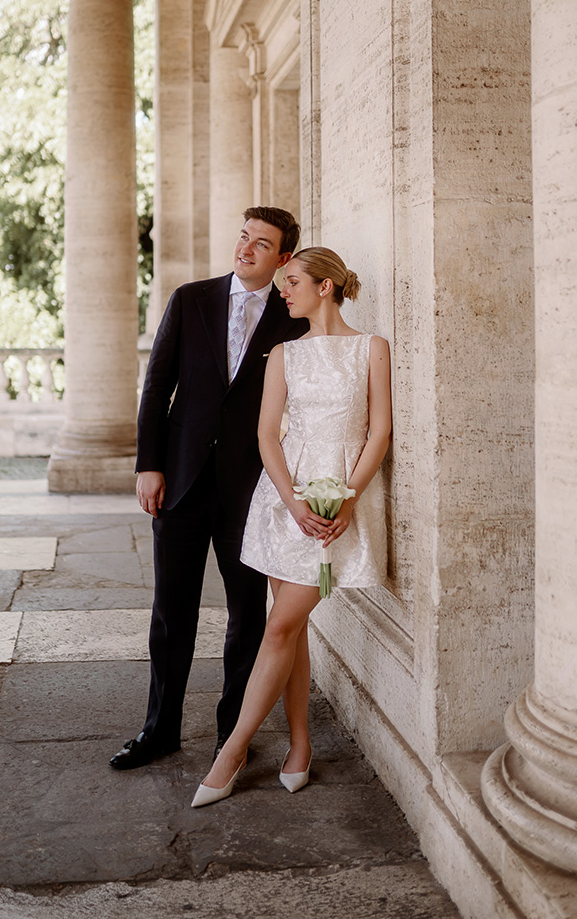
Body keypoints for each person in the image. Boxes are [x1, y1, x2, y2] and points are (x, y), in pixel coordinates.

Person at [110, 206, 309, 770]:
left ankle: (233, 737)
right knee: (172, 612)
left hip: (250, 493)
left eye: (261, 244)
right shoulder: (189, 299)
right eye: (243, 237)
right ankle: (159, 731)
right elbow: (157, 387)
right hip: (179, 481)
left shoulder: (291, 320)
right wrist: (149, 464)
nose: (245, 249)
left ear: (283, 258)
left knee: (247, 615)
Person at [191, 246, 391, 806]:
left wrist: (346, 499)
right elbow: (265, 435)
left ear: (324, 287)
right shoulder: (282, 354)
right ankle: (299, 744)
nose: (283, 292)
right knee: (291, 629)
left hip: (340, 497)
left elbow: (379, 432)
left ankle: (233, 750)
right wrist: (292, 499)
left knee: (278, 626)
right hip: (285, 501)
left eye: (292, 282)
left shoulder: (371, 349)